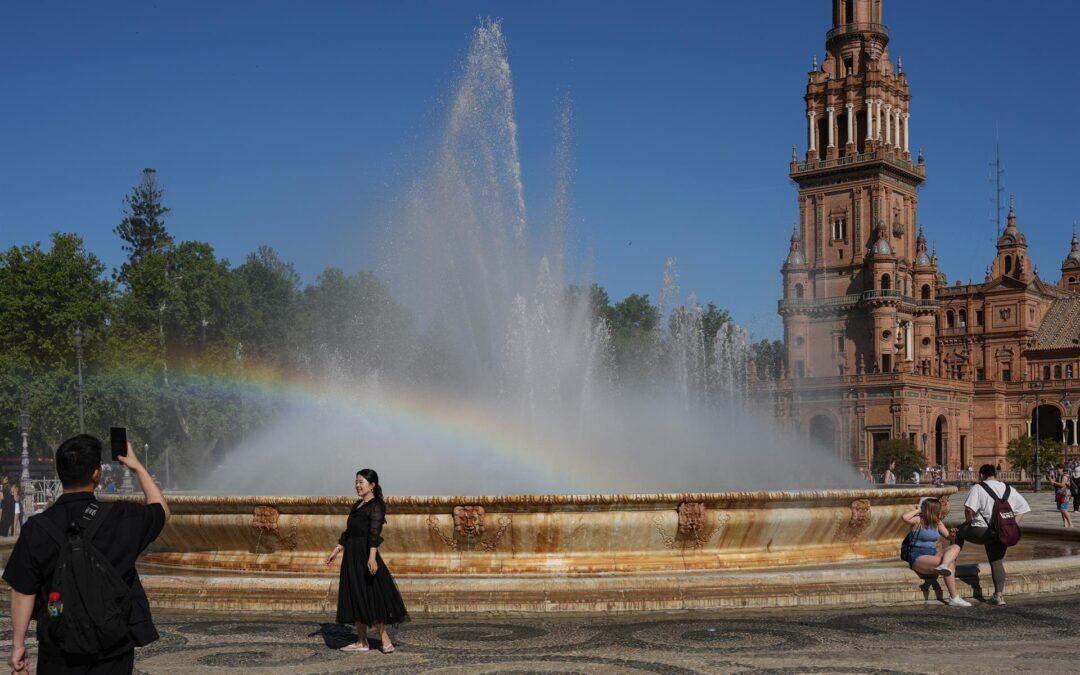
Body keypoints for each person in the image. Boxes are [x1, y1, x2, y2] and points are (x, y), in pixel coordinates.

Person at [3, 435, 170, 674]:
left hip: (58, 647)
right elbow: (162, 511)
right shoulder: (121, 517)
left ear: (59, 472)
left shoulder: (36, 528)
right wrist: (137, 467)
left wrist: (18, 645)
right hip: (112, 647)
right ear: (96, 473)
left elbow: (22, 592)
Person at [326, 468, 409, 654]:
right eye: (356, 481)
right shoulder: (357, 506)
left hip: (365, 555)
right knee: (355, 595)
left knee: (371, 596)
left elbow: (374, 534)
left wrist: (372, 558)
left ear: (372, 485)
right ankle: (362, 641)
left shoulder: (376, 506)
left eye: (361, 482)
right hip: (351, 557)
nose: (357, 485)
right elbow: (349, 532)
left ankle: (385, 639)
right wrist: (337, 549)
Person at [956, 463, 1031, 605]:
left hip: (982, 530)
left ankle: (949, 564)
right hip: (1002, 532)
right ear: (995, 475)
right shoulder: (1008, 488)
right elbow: (1023, 508)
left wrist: (968, 522)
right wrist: (1011, 524)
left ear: (981, 475)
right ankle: (999, 596)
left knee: (957, 532)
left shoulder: (979, 487)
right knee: (996, 562)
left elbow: (968, 508)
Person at [901, 497, 970, 606]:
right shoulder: (918, 520)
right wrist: (919, 510)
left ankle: (944, 565)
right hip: (918, 555)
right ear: (932, 510)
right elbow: (904, 517)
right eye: (938, 509)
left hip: (933, 553)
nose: (940, 512)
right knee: (951, 564)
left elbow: (948, 538)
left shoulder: (937, 523)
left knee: (956, 546)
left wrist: (952, 534)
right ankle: (954, 597)